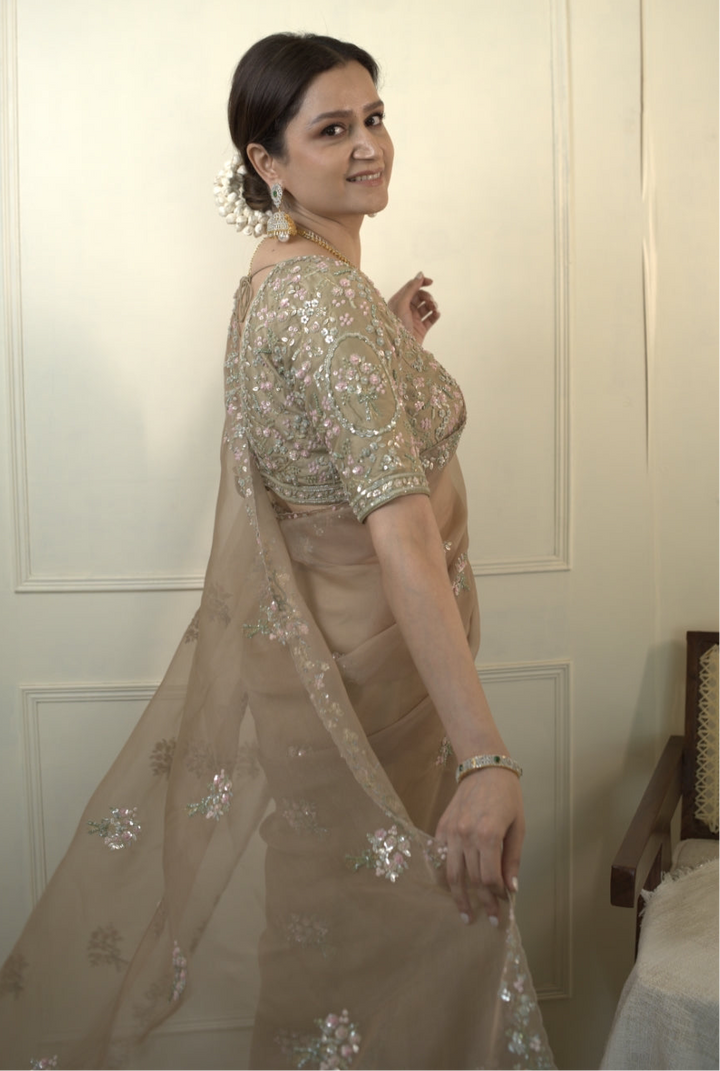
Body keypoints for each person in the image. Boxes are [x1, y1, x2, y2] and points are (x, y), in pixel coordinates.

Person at [0, 32, 556, 1071]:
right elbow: (399, 534)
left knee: (336, 939)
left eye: (374, 117)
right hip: (377, 683)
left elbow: (306, 446)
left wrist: (391, 350)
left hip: (326, 669)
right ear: (267, 160)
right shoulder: (323, 303)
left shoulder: (278, 279)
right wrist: (485, 758)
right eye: (332, 129)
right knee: (377, 950)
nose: (368, 146)